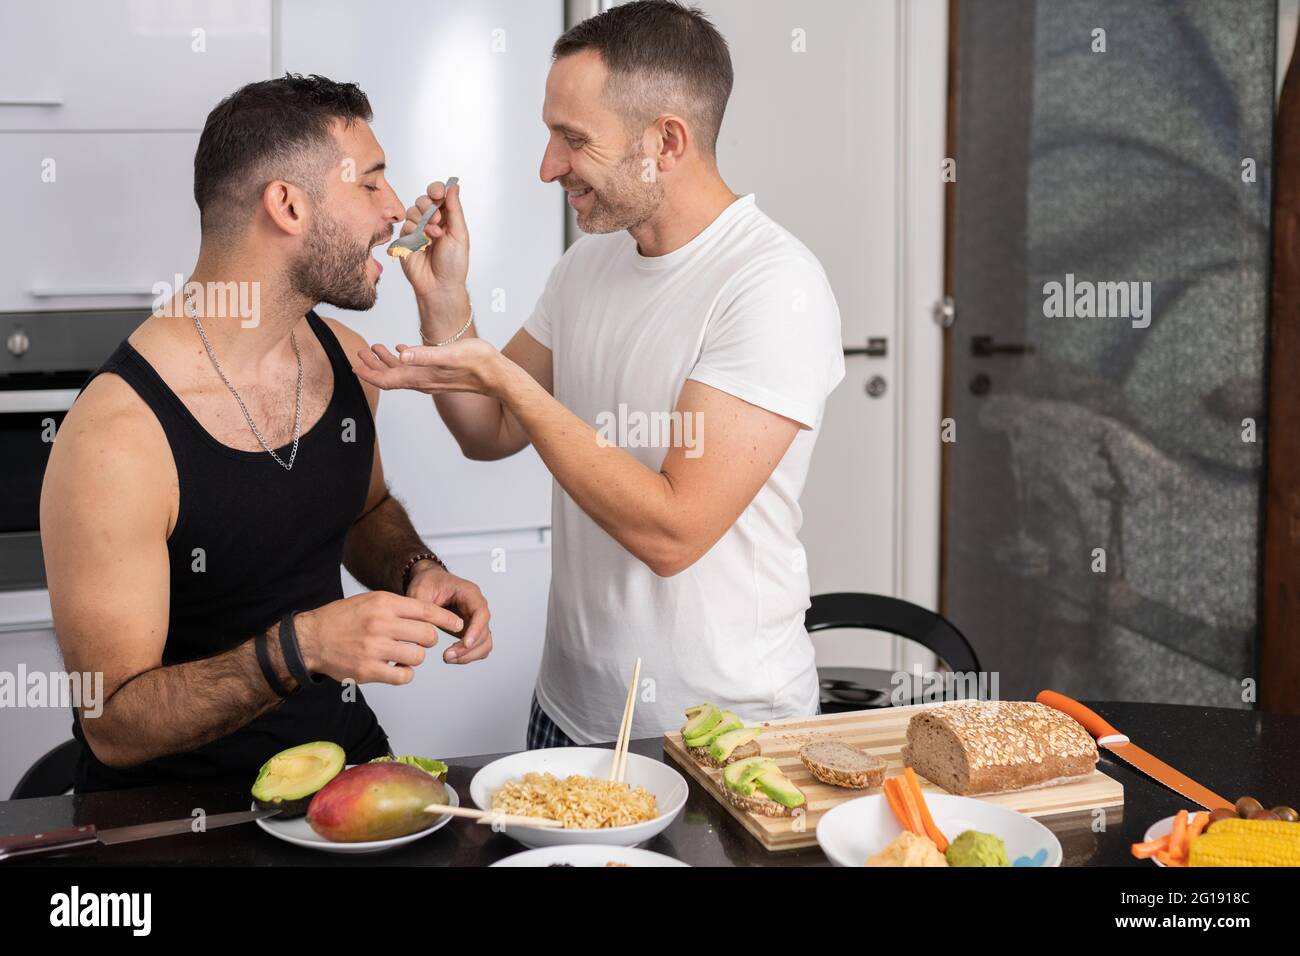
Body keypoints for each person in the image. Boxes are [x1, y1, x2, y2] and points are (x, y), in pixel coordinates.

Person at [356, 1, 843, 746]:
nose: (548, 167)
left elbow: (674, 533)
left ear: (666, 141)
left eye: (572, 140)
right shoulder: (590, 262)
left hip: (720, 731)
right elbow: (489, 430)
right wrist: (445, 299)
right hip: (567, 709)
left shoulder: (773, 286)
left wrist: (506, 378)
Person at [41, 74, 491, 792]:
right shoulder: (117, 438)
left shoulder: (345, 357)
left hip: (345, 775)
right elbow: (113, 723)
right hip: (180, 818)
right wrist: (304, 646)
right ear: (287, 205)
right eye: (371, 184)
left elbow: (365, 512)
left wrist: (417, 571)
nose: (395, 211)